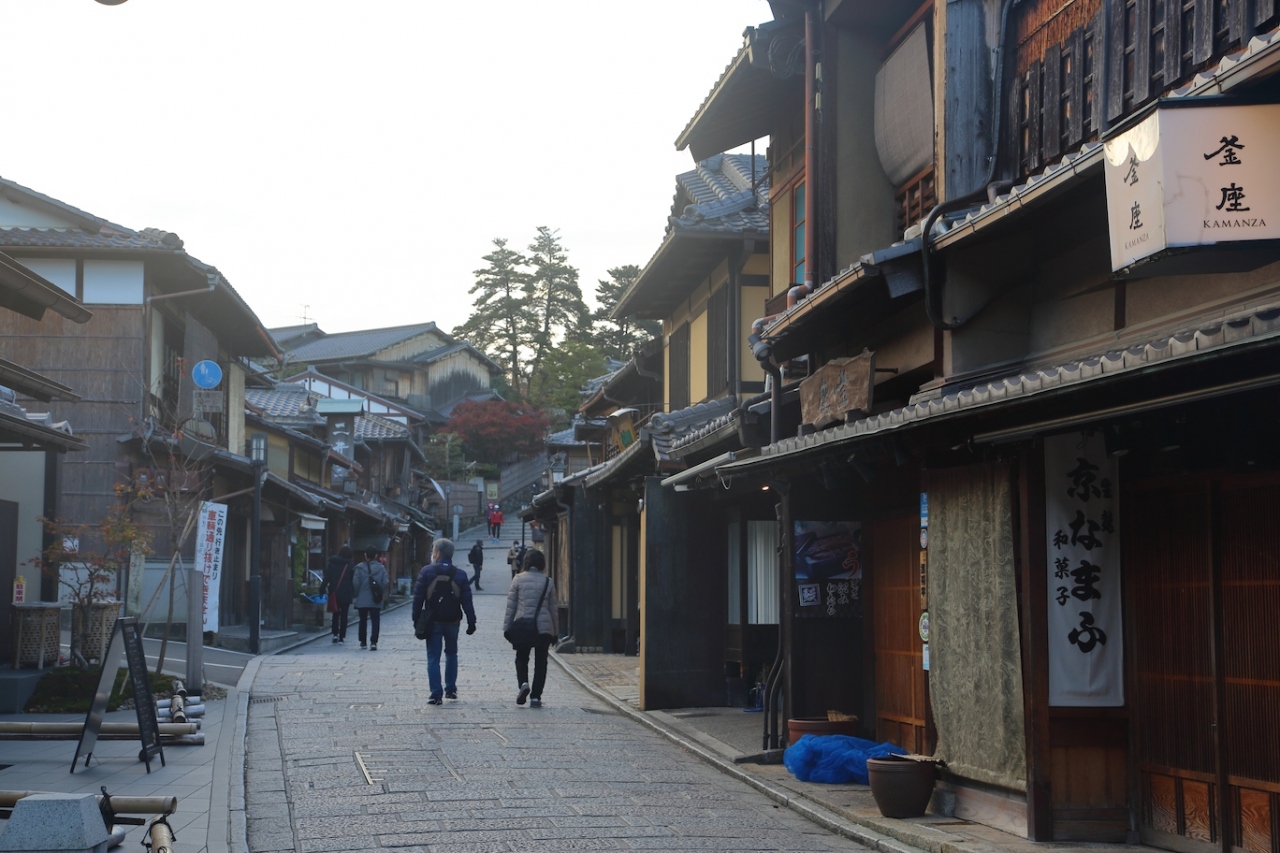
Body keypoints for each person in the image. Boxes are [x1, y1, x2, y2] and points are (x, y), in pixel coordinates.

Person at [412, 538, 476, 705]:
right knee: (451, 653)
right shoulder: (460, 574)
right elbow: (467, 601)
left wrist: (416, 619)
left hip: (433, 621)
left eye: (433, 551)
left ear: (438, 553)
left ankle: (435, 694)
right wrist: (471, 621)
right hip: (453, 620)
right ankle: (451, 689)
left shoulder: (426, 572)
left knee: (433, 656)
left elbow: (418, 598)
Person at [503, 548, 558, 708]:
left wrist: (507, 628)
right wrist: (555, 632)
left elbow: (511, 606)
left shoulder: (518, 579)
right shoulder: (548, 581)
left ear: (526, 562)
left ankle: (523, 683)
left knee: (521, 657)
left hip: (523, 625)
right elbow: (553, 609)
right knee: (541, 662)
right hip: (544, 627)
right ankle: (535, 696)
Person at [353, 546, 388, 650]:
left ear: (365, 555)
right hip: (375, 598)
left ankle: (363, 642)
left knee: (362, 620)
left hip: (362, 598)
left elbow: (355, 583)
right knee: (375, 620)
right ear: (376, 556)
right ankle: (373, 642)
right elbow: (385, 581)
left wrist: (358, 592)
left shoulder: (359, 568)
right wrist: (379, 591)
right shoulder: (381, 568)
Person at [321, 545, 355, 644]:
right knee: (344, 615)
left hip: (334, 592)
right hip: (346, 592)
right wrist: (354, 591)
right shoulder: (351, 565)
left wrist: (322, 589)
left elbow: (326, 578)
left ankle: (335, 634)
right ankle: (341, 637)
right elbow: (353, 580)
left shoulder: (332, 564)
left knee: (335, 613)